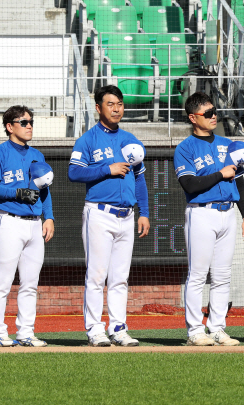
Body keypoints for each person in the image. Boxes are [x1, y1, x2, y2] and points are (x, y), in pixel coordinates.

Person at [68, 85, 150, 347]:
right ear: (98, 108)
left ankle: (118, 327)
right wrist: (107, 168)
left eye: (120, 104)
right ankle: (94, 329)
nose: (116, 109)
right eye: (111, 104)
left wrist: (144, 212)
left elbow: (140, 178)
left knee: (120, 277)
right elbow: (74, 173)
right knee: (96, 275)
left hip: (126, 216)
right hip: (99, 213)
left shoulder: (129, 139)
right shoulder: (88, 140)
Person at [173, 92, 244, 346]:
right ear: (193, 118)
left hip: (227, 212)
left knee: (222, 275)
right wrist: (220, 174)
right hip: (201, 213)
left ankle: (217, 327)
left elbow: (239, 182)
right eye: (207, 113)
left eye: (214, 111)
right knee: (198, 275)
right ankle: (195, 330)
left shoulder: (227, 144)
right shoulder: (185, 148)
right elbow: (189, 183)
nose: (213, 116)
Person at [0, 106, 55, 347]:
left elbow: (45, 190)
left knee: (30, 283)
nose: (29, 126)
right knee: (3, 281)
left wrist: (49, 217)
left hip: (35, 224)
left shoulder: (37, 155)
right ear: (9, 126)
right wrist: (17, 192)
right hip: (9, 221)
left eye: (31, 121)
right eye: (23, 122)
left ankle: (25, 332)